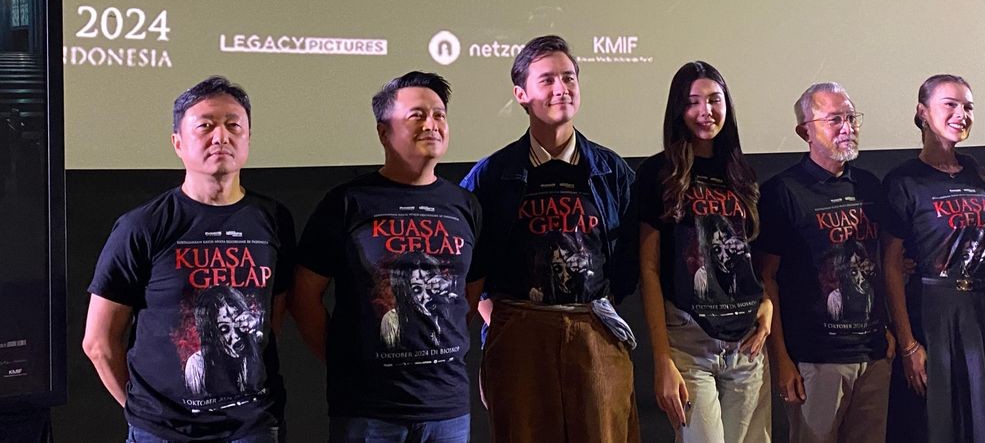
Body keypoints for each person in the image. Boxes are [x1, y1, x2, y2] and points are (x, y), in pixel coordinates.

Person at [83, 76, 294, 442]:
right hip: (164, 433)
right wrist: (145, 416)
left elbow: (273, 314)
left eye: (233, 125)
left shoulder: (273, 219)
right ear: (177, 143)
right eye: (206, 126)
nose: (221, 136)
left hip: (254, 428)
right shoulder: (143, 225)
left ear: (248, 138)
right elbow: (98, 343)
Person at [461, 35, 640, 443]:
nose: (562, 88)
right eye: (547, 80)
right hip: (519, 336)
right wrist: (502, 322)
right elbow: (469, 265)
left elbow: (629, 260)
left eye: (569, 77)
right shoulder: (490, 176)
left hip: (594, 331)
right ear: (521, 95)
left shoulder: (611, 171)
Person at [291, 72, 483, 443]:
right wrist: (344, 361)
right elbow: (304, 295)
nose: (431, 124)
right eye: (417, 115)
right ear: (384, 132)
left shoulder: (464, 204)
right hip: (368, 411)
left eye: (439, 115)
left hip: (447, 408)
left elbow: (469, 291)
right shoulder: (348, 203)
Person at [636, 61, 771, 442]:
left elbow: (751, 255)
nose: (705, 111)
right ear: (678, 110)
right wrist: (662, 359)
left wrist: (766, 305)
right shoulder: (658, 173)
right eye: (693, 102)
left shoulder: (741, 172)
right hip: (689, 342)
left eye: (714, 100)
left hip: (747, 344)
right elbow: (649, 269)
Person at [879, 74, 985, 443]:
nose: (961, 114)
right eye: (950, 104)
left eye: (968, 106)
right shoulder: (903, 181)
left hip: (984, 313)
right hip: (932, 314)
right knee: (936, 422)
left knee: (984, 419)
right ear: (922, 112)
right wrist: (908, 343)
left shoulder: (982, 176)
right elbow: (891, 265)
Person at [757, 82, 892, 443]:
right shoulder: (782, 192)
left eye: (851, 117)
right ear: (805, 131)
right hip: (815, 359)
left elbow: (881, 263)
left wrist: (887, 328)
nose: (847, 127)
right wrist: (782, 359)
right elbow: (768, 278)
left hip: (873, 354)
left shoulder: (869, 186)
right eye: (834, 119)